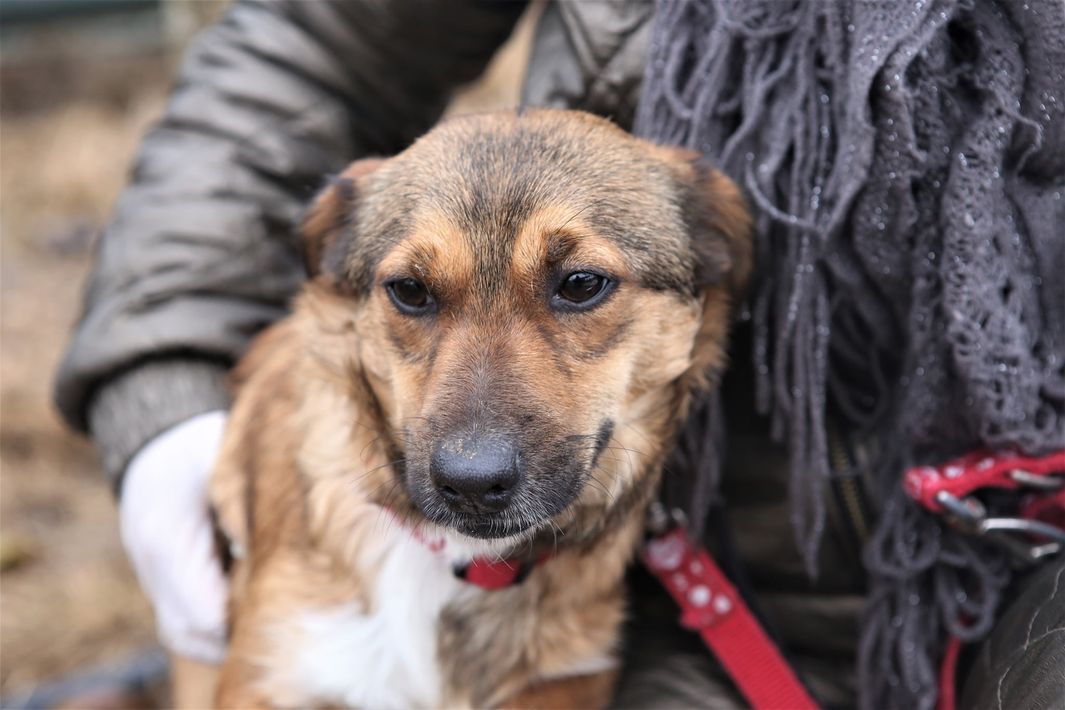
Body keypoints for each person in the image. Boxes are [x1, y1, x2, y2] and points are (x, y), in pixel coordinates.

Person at [55, 2, 1065, 708]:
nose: (475, 455)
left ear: (714, 278)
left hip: (1000, 577)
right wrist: (162, 388)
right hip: (690, 604)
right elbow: (314, 43)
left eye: (578, 287)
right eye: (413, 293)